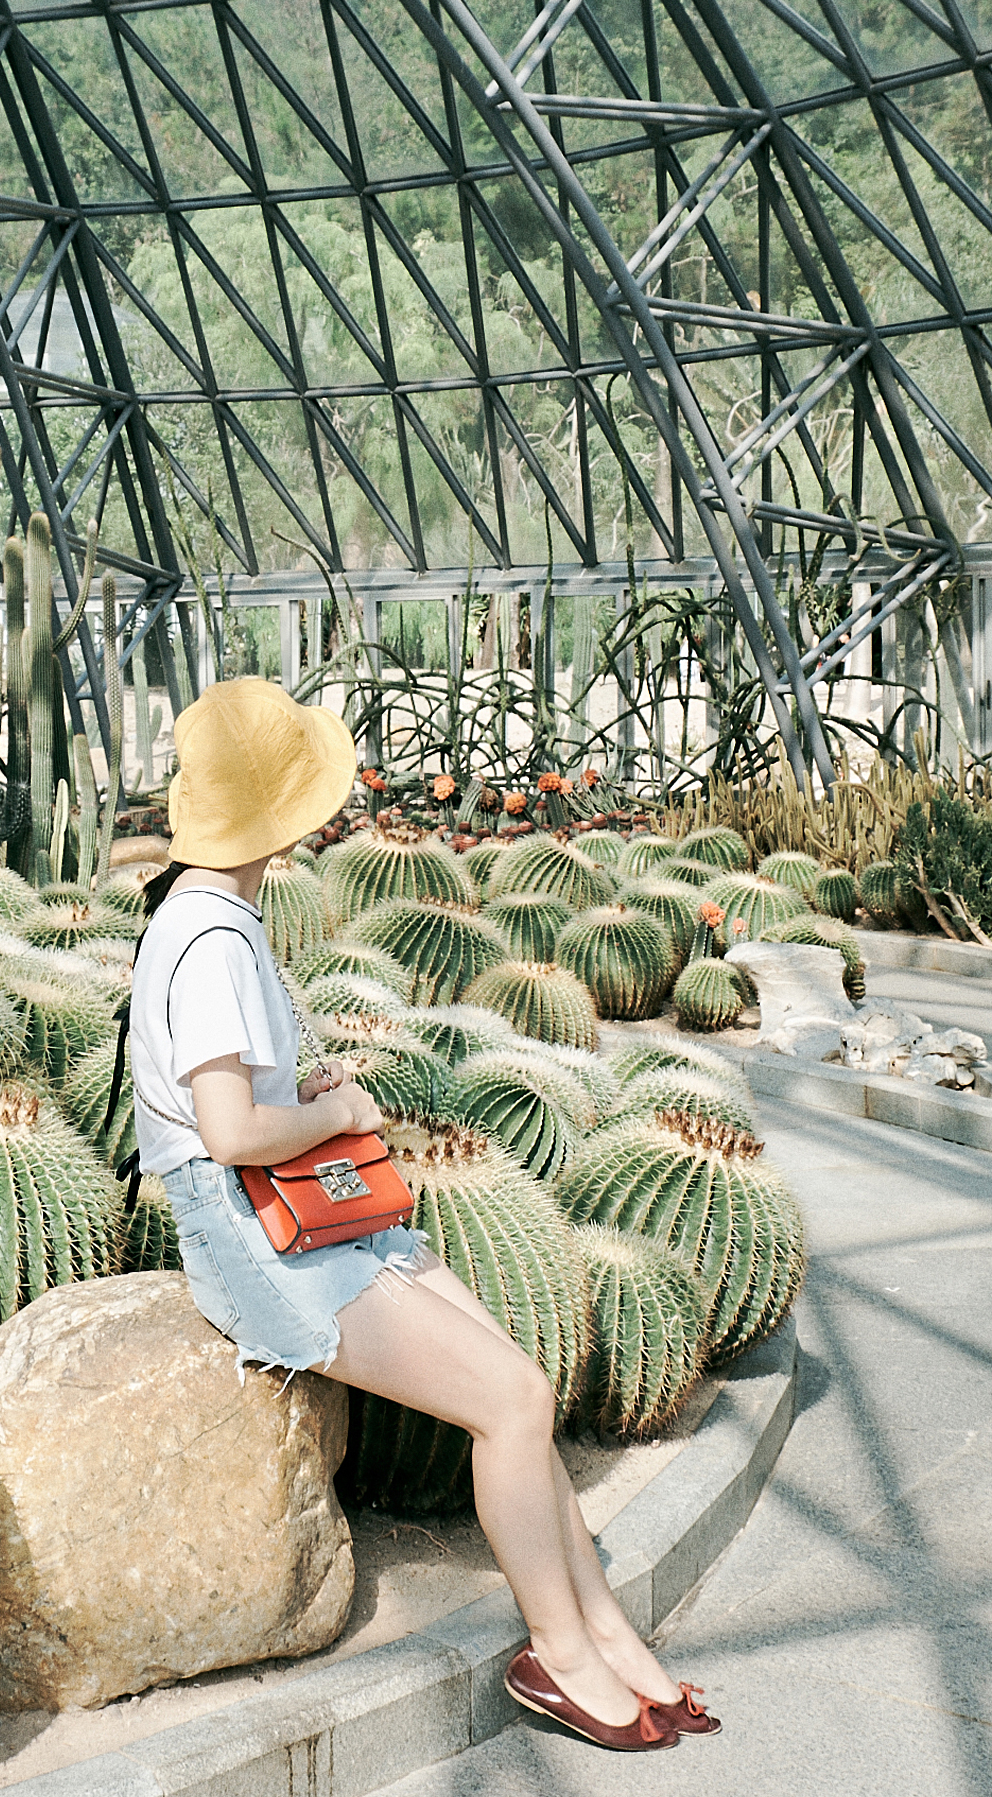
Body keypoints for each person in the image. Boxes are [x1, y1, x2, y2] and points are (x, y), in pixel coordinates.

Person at [128, 677, 711, 1753]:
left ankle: (610, 1636)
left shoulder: (214, 913)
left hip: (288, 1214)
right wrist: (341, 1107)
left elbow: (241, 1103)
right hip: (258, 1239)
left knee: (517, 1383)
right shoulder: (210, 937)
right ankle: (558, 1652)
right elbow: (226, 1132)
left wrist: (299, 1096)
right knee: (512, 1401)